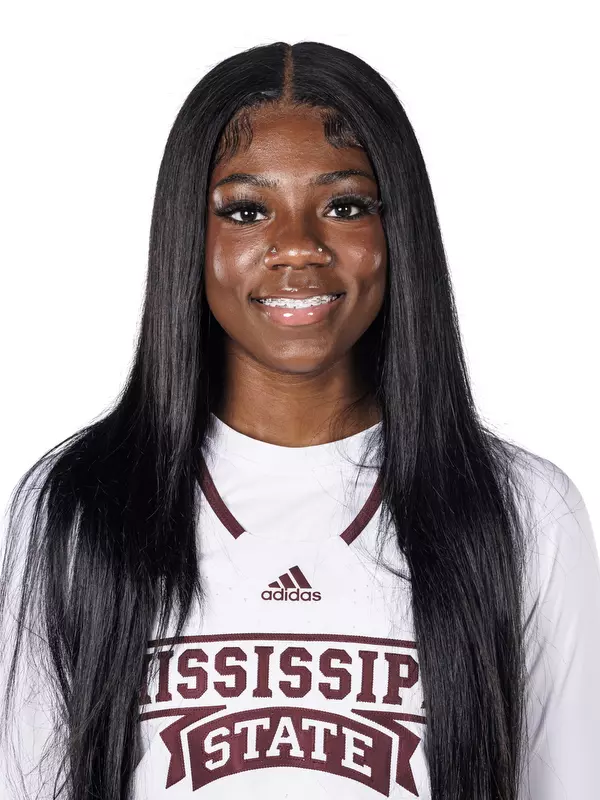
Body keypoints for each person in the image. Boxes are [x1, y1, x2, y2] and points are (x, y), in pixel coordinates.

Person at [1, 40, 599, 800]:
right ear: (193, 237)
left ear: (396, 232)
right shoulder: (77, 506)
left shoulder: (523, 510)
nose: (298, 248)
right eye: (248, 211)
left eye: (344, 206)